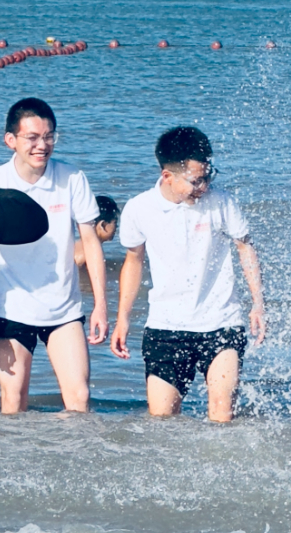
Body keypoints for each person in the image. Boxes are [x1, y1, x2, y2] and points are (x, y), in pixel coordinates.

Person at [110, 126, 266, 423]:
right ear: (168, 176)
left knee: (222, 415)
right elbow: (133, 262)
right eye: (196, 181)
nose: (204, 187)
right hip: (165, 326)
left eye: (208, 176)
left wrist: (258, 303)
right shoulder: (139, 208)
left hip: (221, 321)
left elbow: (245, 247)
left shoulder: (222, 202)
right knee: (162, 420)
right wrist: (123, 319)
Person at [0, 98, 108, 414]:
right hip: (10, 308)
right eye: (32, 137)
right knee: (13, 400)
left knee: (79, 398)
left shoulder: (71, 178)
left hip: (63, 308)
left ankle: (71, 448)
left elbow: (91, 242)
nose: (42, 145)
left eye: (49, 136)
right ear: (10, 140)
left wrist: (101, 305)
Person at [74, 195, 119, 267]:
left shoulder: (78, 245)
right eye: (115, 223)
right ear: (103, 225)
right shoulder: (90, 252)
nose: (116, 227)